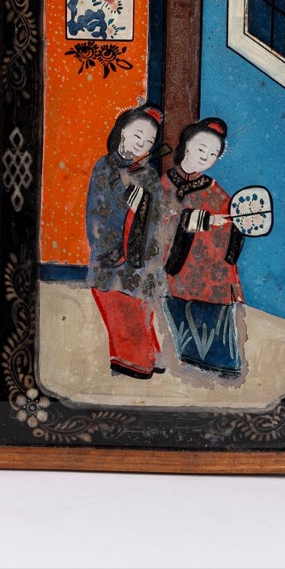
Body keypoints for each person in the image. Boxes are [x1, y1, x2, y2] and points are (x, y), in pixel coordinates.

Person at [83, 102, 166, 377]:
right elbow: (98, 210)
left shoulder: (148, 174)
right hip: (112, 252)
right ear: (121, 132)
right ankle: (134, 359)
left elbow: (156, 214)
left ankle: (143, 358)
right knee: (118, 304)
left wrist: (143, 203)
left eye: (149, 141)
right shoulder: (104, 166)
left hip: (141, 255)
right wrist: (125, 203)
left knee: (140, 307)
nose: (141, 143)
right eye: (137, 135)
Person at [159, 118, 245, 378]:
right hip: (179, 267)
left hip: (211, 271)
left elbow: (233, 220)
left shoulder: (214, 189)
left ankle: (222, 363)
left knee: (215, 320)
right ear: (186, 145)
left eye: (213, 154)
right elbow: (161, 221)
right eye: (201, 148)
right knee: (182, 315)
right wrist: (200, 220)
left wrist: (236, 222)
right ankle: (189, 358)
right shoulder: (164, 184)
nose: (206, 157)